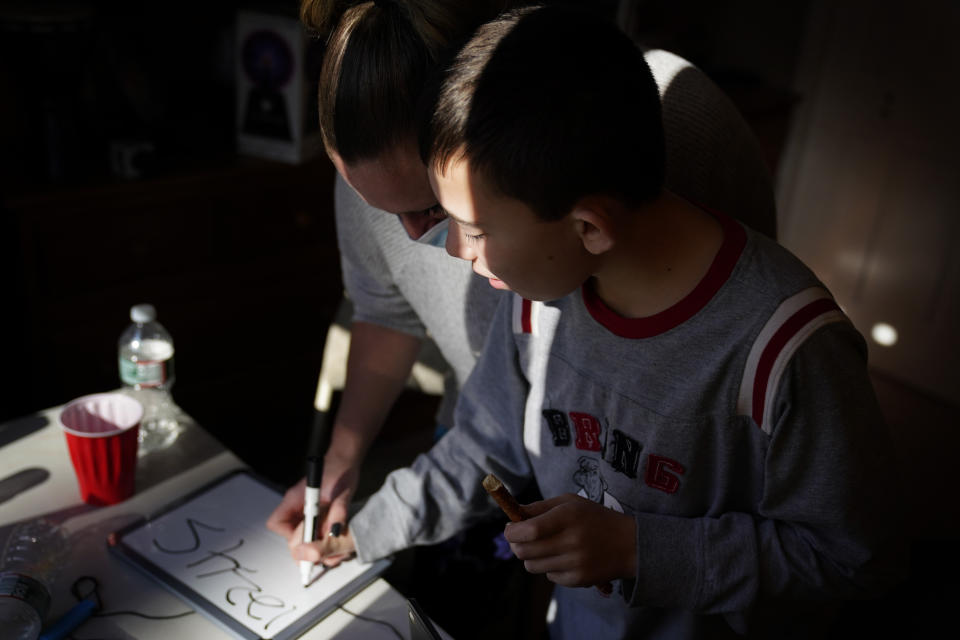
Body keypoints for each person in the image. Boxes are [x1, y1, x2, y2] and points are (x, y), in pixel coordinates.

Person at [297, 5, 905, 638]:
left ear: (587, 227)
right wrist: (357, 532)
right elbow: (484, 446)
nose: (451, 250)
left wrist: (638, 549)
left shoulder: (784, 351)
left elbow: (856, 558)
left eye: (471, 229)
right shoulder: (539, 292)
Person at [267, 0, 778, 558]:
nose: (417, 238)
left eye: (439, 210)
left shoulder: (656, 151)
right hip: (497, 441)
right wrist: (344, 465)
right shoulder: (520, 304)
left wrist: (650, 553)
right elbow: (394, 320)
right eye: (373, 203)